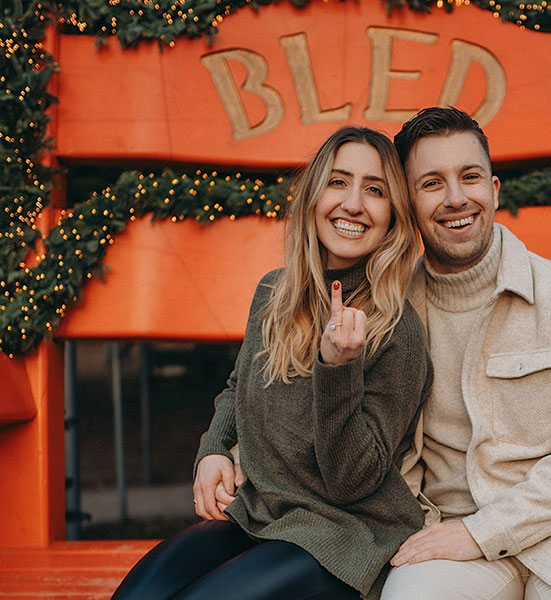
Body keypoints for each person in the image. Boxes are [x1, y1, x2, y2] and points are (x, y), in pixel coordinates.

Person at [111, 126, 433, 600]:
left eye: (375, 190)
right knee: (138, 594)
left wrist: (338, 368)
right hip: (261, 515)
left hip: (344, 535)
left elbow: (351, 482)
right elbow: (237, 386)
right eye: (338, 182)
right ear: (313, 196)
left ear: (393, 218)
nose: (353, 204)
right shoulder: (275, 293)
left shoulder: (395, 329)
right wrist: (215, 449)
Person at [380, 107, 551, 600]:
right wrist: (231, 453)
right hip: (450, 537)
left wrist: (483, 532)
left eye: (470, 177)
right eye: (432, 183)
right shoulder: (392, 312)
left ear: (495, 189)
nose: (457, 198)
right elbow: (316, 391)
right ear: (408, 203)